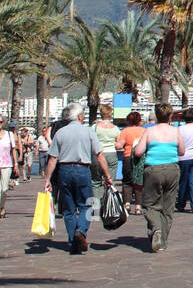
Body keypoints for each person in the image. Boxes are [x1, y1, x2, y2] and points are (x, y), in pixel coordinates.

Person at [42, 103, 111, 254]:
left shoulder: (60, 133)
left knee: (69, 209)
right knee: (87, 204)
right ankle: (81, 231)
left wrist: (47, 179)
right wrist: (107, 175)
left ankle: (73, 241)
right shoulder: (88, 132)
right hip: (82, 170)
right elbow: (100, 155)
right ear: (80, 116)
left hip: (64, 171)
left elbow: (52, 158)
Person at [133, 102, 182, 252]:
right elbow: (182, 151)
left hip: (153, 170)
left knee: (151, 204)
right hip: (172, 169)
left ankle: (156, 229)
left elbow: (138, 152)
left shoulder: (149, 132)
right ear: (170, 115)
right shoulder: (175, 131)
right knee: (168, 206)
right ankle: (163, 242)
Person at [92, 103, 121, 212]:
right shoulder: (115, 128)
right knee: (110, 181)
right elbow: (118, 144)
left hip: (97, 154)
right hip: (111, 154)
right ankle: (107, 204)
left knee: (95, 181)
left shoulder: (94, 127)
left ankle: (96, 206)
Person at [117, 111, 146, 215]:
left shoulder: (125, 131)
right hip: (141, 158)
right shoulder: (144, 130)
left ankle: (127, 204)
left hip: (128, 157)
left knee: (127, 181)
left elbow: (119, 145)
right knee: (139, 182)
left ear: (128, 120)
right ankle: (138, 206)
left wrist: (116, 143)